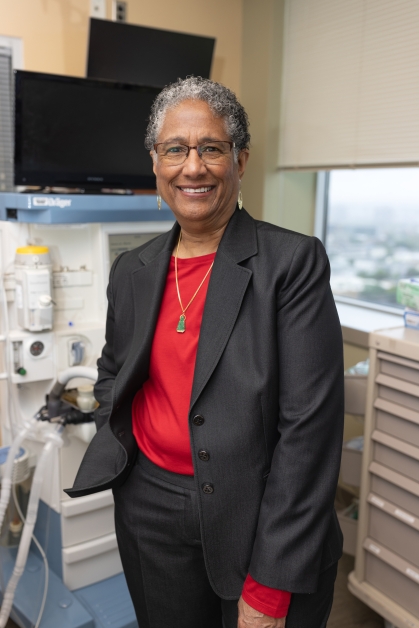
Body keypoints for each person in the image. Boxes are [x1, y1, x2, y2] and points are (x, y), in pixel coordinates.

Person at [66, 76, 344, 628]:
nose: (192, 167)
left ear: (240, 160)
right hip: (149, 507)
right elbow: (112, 373)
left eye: (211, 148)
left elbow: (309, 432)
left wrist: (268, 590)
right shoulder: (134, 270)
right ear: (155, 162)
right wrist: (130, 451)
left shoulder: (291, 264)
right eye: (176, 149)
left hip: (258, 512)